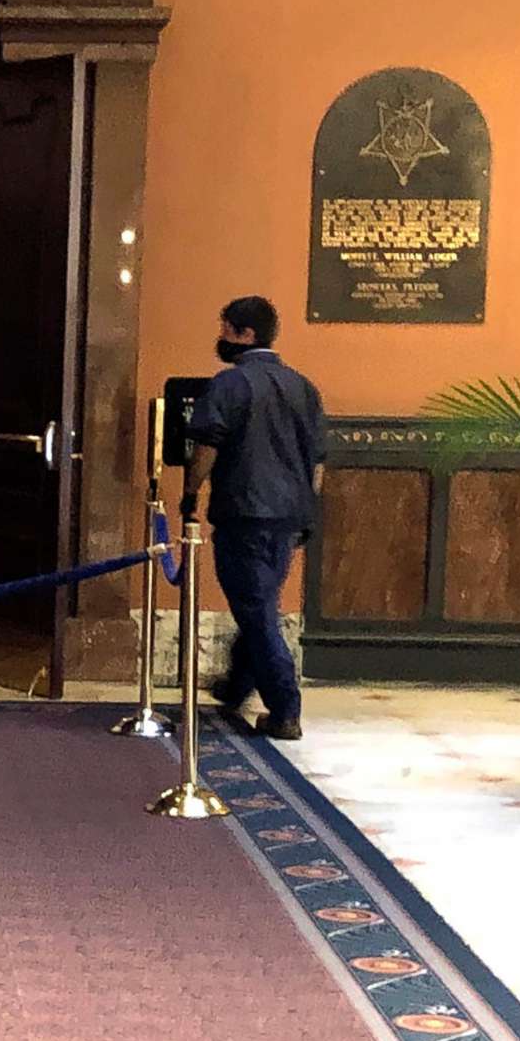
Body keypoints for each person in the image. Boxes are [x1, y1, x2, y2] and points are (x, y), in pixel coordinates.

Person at [184, 293, 326, 741]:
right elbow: (318, 462)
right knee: (259, 602)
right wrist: (304, 508)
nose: (220, 338)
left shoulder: (230, 385)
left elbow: (207, 447)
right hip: (288, 518)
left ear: (245, 335)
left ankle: (285, 707)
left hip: (244, 513)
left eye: (226, 328)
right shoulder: (303, 387)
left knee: (257, 608)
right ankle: (237, 685)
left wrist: (190, 495)